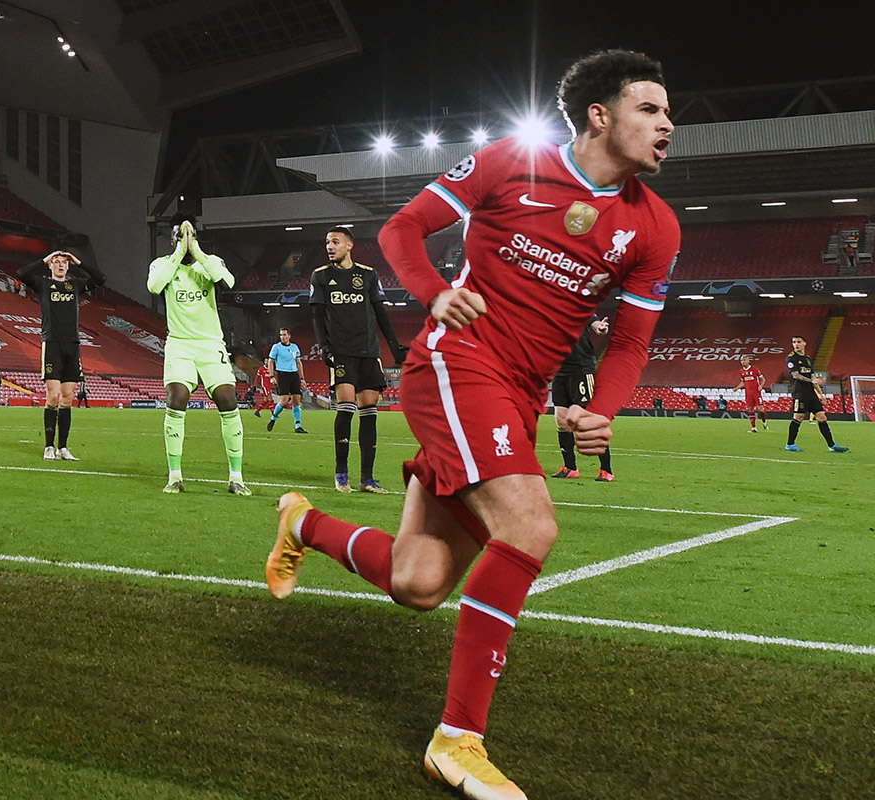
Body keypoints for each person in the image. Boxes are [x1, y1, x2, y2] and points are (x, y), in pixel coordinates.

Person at [267, 49, 679, 799]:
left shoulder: (655, 227)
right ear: (600, 115)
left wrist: (603, 408)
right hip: (456, 363)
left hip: (518, 397)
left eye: (666, 112)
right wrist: (432, 293)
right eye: (649, 109)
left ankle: (303, 523)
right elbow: (403, 230)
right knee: (531, 524)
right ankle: (456, 740)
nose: (666, 124)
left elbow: (630, 342)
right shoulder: (511, 161)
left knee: (418, 582)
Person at [147, 214, 250, 496]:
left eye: (187, 235)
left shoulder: (211, 262)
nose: (182, 239)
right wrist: (179, 253)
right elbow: (154, 287)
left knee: (228, 400)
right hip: (180, 343)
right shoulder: (161, 264)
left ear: (196, 238)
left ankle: (236, 477)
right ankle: (175, 476)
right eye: (177, 235)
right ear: (172, 239)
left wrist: (197, 251)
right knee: (176, 398)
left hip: (210, 343)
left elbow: (227, 282)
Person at [309, 225, 409, 493]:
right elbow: (317, 316)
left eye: (335, 242)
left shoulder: (368, 275)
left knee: (369, 411)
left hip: (369, 352)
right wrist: (324, 347)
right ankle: (341, 473)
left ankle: (367, 478)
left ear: (349, 245)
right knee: (345, 406)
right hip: (341, 351)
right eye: (327, 242)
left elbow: (381, 312)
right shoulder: (321, 276)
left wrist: (394, 346)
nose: (330, 246)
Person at [17, 249, 106, 460]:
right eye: (56, 262)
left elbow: (100, 278)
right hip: (52, 344)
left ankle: (62, 448)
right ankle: (49, 446)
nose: (60, 265)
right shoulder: (43, 284)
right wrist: (44, 259)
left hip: (72, 345)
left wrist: (79, 262)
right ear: (50, 265)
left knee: (67, 397)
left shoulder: (74, 285)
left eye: (64, 262)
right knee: (54, 396)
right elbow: (22, 273)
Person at [550, 316, 615, 481]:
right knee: (561, 419)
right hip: (560, 369)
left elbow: (595, 323)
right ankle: (570, 468)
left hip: (582, 368)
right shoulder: (546, 310)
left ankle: (606, 470)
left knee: (590, 420)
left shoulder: (579, 306)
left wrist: (600, 327)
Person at [784, 335, 849, 453]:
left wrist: (821, 394)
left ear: (804, 343)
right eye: (794, 342)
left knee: (822, 417)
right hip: (800, 393)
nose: (796, 344)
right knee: (798, 417)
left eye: (799, 342)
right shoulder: (791, 358)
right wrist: (811, 381)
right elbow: (796, 375)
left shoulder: (808, 359)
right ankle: (790, 444)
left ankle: (832, 445)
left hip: (811, 393)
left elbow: (813, 377)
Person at [266, 326, 308, 434]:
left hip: (294, 374)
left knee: (296, 400)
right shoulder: (276, 347)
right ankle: (273, 418)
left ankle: (298, 426)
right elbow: (271, 361)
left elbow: (299, 362)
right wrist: (272, 376)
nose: (282, 337)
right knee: (284, 402)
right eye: (281, 335)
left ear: (289, 336)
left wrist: (302, 378)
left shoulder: (294, 347)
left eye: (284, 335)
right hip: (282, 374)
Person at [734, 355, 768, 432]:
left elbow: (763, 379)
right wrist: (737, 388)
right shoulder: (741, 371)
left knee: (761, 410)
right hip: (748, 393)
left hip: (756, 392)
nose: (743, 362)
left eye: (744, 360)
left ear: (748, 361)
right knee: (750, 409)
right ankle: (754, 428)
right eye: (742, 360)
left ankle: (764, 422)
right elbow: (743, 382)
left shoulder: (755, 369)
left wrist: (761, 386)